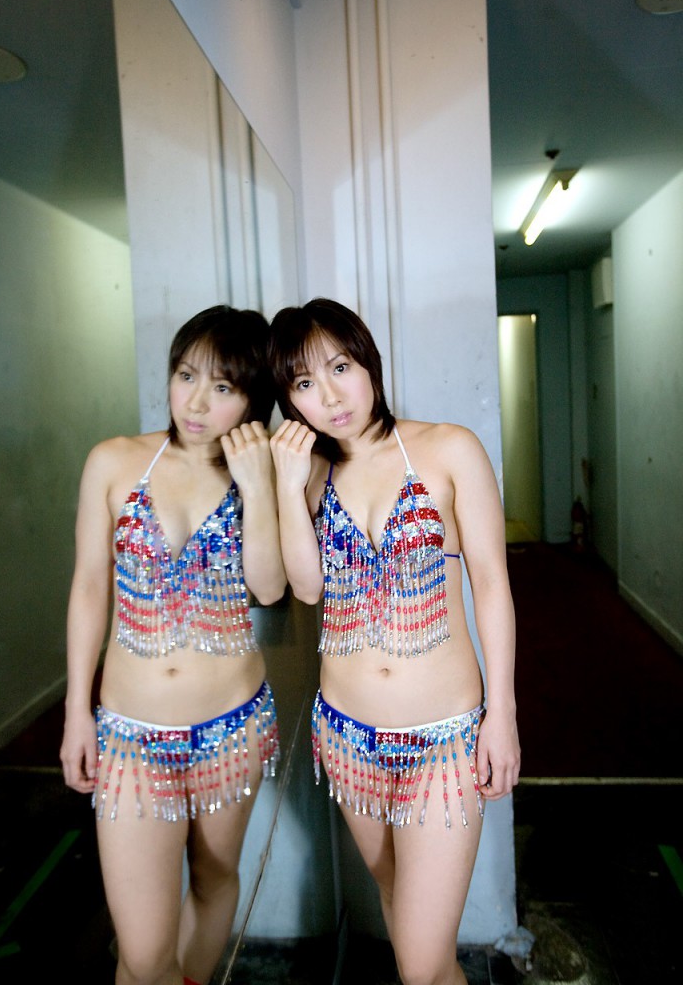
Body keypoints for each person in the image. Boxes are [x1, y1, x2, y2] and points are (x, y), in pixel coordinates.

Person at [268, 298, 520, 985]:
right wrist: (287, 487)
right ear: (290, 401)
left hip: (442, 740)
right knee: (401, 908)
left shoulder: (449, 447)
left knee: (419, 961)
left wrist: (502, 714)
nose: (329, 396)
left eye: (340, 368)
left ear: (368, 362)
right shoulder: (314, 474)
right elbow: (307, 588)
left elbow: (492, 585)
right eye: (304, 383)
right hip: (347, 738)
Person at [60, 305, 287, 985]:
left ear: (253, 400)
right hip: (132, 734)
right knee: (142, 955)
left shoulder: (266, 474)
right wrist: (77, 714)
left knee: (215, 881)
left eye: (223, 387)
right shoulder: (113, 461)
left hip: (234, 730)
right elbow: (89, 589)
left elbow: (270, 589)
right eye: (186, 376)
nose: (195, 402)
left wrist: (257, 486)